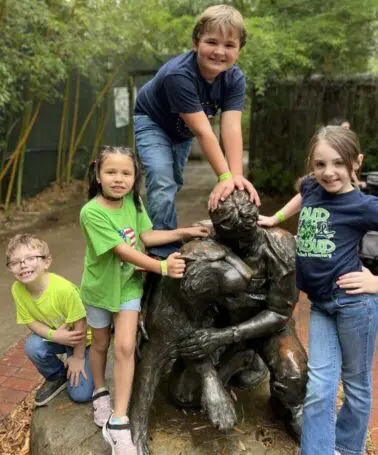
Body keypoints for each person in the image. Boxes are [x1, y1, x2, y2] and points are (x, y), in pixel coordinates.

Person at [79, 145, 208, 455]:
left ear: (135, 177)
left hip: (127, 287)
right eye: (111, 172)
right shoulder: (91, 212)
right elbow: (121, 251)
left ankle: (119, 422)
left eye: (126, 172)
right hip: (99, 289)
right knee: (99, 344)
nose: (119, 179)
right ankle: (100, 391)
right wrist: (161, 266)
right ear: (98, 175)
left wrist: (184, 232)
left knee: (124, 347)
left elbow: (146, 236)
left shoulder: (134, 203)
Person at [258, 126, 378, 455]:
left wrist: (376, 282)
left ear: (357, 162)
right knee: (319, 389)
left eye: (339, 163)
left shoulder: (364, 206)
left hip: (356, 306)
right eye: (320, 164)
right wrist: (276, 217)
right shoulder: (313, 185)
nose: (328, 173)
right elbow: (303, 195)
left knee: (355, 386)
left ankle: (348, 448)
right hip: (322, 306)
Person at [134, 4, 260, 258]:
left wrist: (235, 176)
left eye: (229, 45)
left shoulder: (235, 79)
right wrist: (223, 177)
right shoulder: (178, 75)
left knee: (173, 181)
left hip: (181, 132)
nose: (219, 51)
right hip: (153, 121)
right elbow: (205, 133)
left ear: (239, 50)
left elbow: (231, 127)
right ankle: (162, 249)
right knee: (161, 178)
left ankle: (156, 224)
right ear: (195, 42)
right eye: (212, 42)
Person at [6, 234, 94, 406]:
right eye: (15, 262)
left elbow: (80, 325)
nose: (23, 264)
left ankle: (87, 362)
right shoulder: (17, 289)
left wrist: (78, 357)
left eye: (30, 258)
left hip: (83, 340)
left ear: (47, 261)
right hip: (59, 336)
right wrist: (54, 336)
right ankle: (57, 375)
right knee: (33, 346)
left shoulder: (64, 290)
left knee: (81, 395)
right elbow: (29, 321)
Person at [328, 117, 366, 189]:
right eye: (345, 128)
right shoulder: (328, 143)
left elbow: (350, 165)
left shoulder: (347, 144)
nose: (348, 130)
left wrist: (357, 182)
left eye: (348, 128)